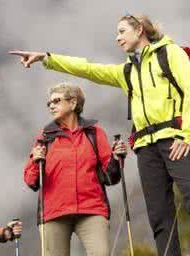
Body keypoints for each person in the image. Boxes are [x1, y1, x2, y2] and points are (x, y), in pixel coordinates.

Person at [10, 14, 190, 256]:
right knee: (159, 213)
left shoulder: (171, 54)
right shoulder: (127, 71)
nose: (117, 38)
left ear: (139, 29)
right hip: (145, 146)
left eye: (122, 31)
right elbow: (89, 69)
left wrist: (185, 134)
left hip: (176, 138)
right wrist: (47, 59)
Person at [23, 82, 126, 256]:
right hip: (54, 212)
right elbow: (31, 181)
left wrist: (117, 158)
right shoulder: (45, 137)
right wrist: (35, 160)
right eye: (49, 103)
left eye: (56, 101)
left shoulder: (94, 133)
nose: (51, 106)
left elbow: (111, 177)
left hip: (92, 209)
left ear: (73, 103)